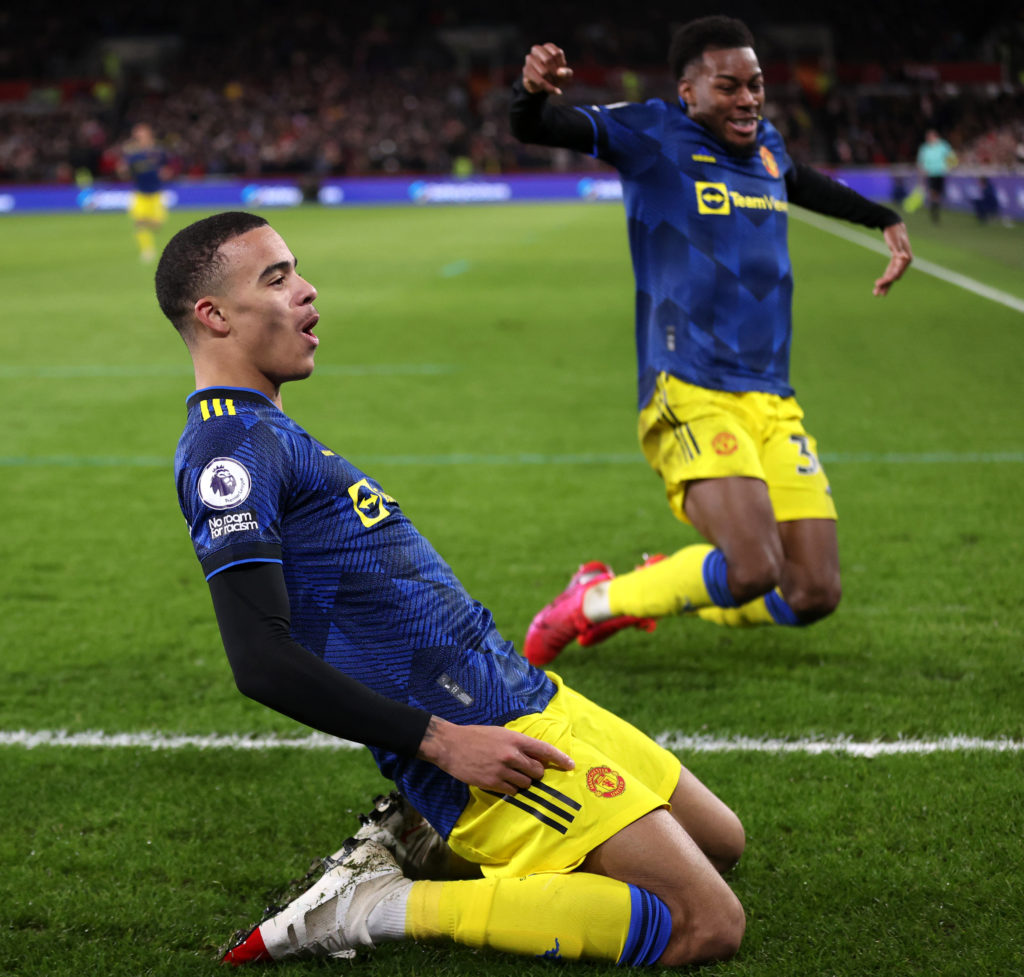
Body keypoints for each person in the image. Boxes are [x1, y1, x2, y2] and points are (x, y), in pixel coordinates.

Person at [156, 211, 746, 968]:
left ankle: (430, 839)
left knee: (720, 841)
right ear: (212, 314)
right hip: (477, 728)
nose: (307, 292)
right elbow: (260, 660)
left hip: (523, 689)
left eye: (297, 270)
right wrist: (439, 743)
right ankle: (378, 905)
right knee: (705, 923)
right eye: (277, 279)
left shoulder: (267, 428)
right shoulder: (224, 449)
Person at [509, 16, 914, 666]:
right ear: (688, 92)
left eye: (755, 85)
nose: (748, 99)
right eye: (729, 87)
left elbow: (800, 178)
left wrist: (884, 219)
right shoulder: (650, 133)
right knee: (753, 567)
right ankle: (591, 602)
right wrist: (531, 93)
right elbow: (539, 127)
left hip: (774, 400)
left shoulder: (767, 147)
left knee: (812, 589)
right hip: (691, 385)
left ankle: (665, 582)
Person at [118, 122, 172, 261]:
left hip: (156, 193)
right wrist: (122, 169)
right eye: (136, 135)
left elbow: (169, 168)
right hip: (140, 193)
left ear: (149, 134)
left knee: (157, 225)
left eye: (141, 134)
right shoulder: (133, 153)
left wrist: (166, 173)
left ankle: (144, 223)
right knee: (139, 223)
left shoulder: (159, 151)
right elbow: (124, 172)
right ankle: (147, 251)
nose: (138, 137)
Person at [916, 129, 957, 223]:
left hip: (940, 173)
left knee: (938, 194)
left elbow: (951, 157)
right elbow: (920, 161)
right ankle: (934, 212)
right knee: (933, 192)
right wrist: (921, 171)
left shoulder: (943, 146)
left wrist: (950, 167)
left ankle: (935, 209)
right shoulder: (924, 148)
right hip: (930, 173)